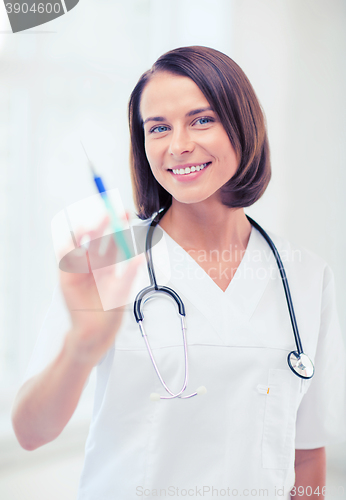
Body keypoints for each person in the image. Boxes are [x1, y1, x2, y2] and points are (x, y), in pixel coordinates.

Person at [12, 46, 346, 500]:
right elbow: (31, 432)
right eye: (159, 128)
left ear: (242, 125)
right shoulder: (107, 258)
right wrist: (81, 347)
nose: (178, 145)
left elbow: (305, 454)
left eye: (202, 120)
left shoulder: (305, 276)